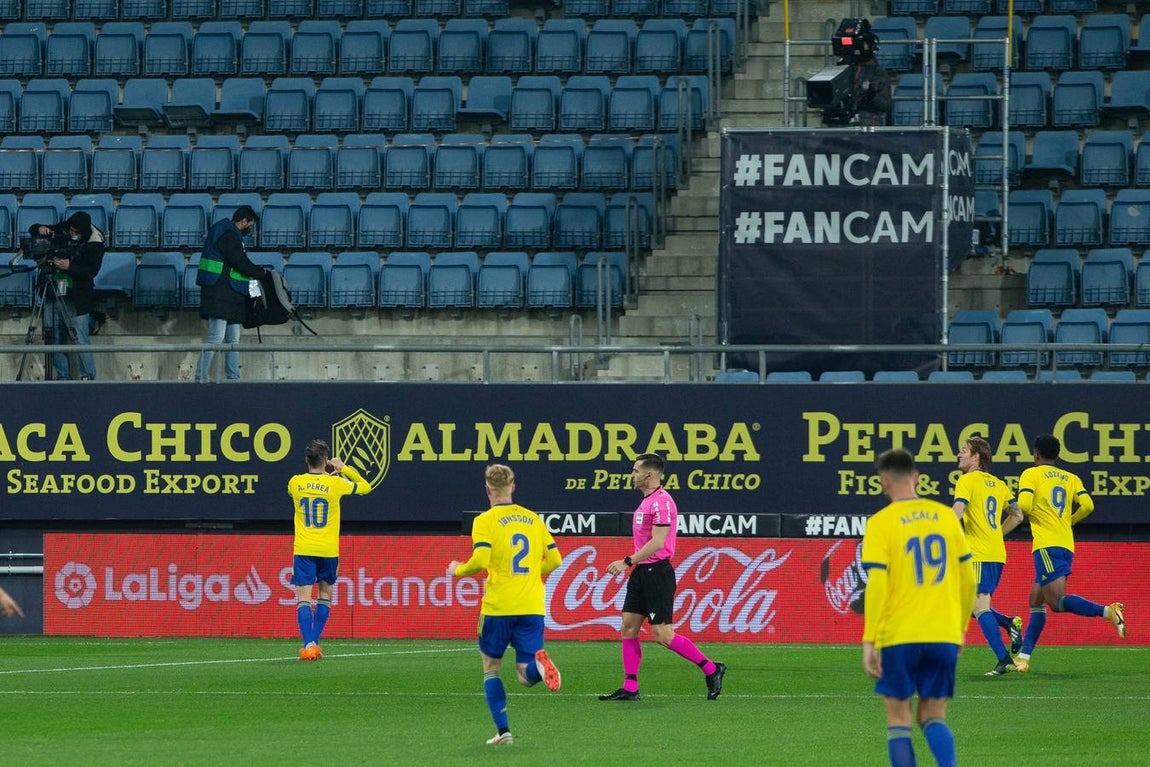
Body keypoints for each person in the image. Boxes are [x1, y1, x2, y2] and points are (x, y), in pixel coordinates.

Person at [862, 448, 976, 767]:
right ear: (917, 478)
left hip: (899, 636)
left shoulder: (880, 523)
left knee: (899, 720)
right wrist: (960, 630)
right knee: (933, 716)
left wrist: (870, 639)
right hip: (942, 634)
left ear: (883, 481)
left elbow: (878, 586)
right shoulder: (945, 517)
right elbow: (969, 581)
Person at [449, 464, 562, 746]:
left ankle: (504, 731)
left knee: (491, 667)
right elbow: (557, 560)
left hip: (499, 606)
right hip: (532, 604)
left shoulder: (485, 521)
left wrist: (458, 570)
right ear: (513, 486)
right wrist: (535, 573)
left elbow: (480, 561)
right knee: (525, 675)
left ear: (487, 489)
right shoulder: (533, 518)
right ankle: (540, 666)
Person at [599, 452, 726, 702]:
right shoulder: (646, 502)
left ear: (648, 475)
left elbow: (658, 543)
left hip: (657, 573)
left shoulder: (662, 502)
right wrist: (633, 566)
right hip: (641, 574)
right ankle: (630, 687)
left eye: (635, 471)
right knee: (628, 626)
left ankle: (711, 668)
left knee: (662, 635)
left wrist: (626, 562)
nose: (631, 475)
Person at [1012, 434, 1126, 673]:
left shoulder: (1031, 474)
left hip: (1046, 544)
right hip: (1065, 543)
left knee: (1055, 602)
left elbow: (1023, 505)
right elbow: (1088, 506)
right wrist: (1069, 521)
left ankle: (1107, 611)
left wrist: (1011, 510)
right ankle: (1023, 658)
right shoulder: (1070, 478)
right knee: (1036, 600)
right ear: (1057, 455)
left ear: (1036, 455)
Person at [287, 439, 372, 661]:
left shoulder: (295, 482)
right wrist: (343, 469)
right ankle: (314, 643)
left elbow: (303, 491)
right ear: (326, 461)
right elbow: (366, 487)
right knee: (324, 595)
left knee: (303, 599)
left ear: (307, 460)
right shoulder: (337, 484)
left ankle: (309, 644)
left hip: (304, 547)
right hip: (328, 549)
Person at [950, 436, 1025, 676]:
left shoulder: (967, 481)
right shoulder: (998, 484)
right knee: (967, 605)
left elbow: (958, 513)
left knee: (980, 607)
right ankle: (1007, 622)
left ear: (976, 457)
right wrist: (997, 534)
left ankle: (1004, 660)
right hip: (994, 552)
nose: (959, 455)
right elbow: (1018, 515)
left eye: (963, 451)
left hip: (979, 554)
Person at [28, 211, 105, 380]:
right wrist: (40, 228)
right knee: (52, 339)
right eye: (72, 229)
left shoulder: (96, 243)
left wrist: (69, 267)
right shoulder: (63, 228)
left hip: (77, 299)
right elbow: (33, 232)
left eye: (77, 232)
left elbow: (91, 271)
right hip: (51, 293)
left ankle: (87, 378)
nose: (73, 233)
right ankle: (63, 377)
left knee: (80, 340)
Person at [194, 205, 264, 382]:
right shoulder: (228, 234)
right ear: (243, 221)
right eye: (250, 225)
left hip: (232, 294)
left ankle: (233, 377)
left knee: (233, 339)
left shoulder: (228, 233)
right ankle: (200, 378)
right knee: (216, 337)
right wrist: (260, 272)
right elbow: (239, 261)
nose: (250, 229)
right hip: (220, 293)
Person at [848, 33, 891, 127]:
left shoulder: (879, 72)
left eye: (862, 45)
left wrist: (871, 95)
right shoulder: (846, 69)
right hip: (842, 124)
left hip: (867, 124)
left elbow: (885, 105)